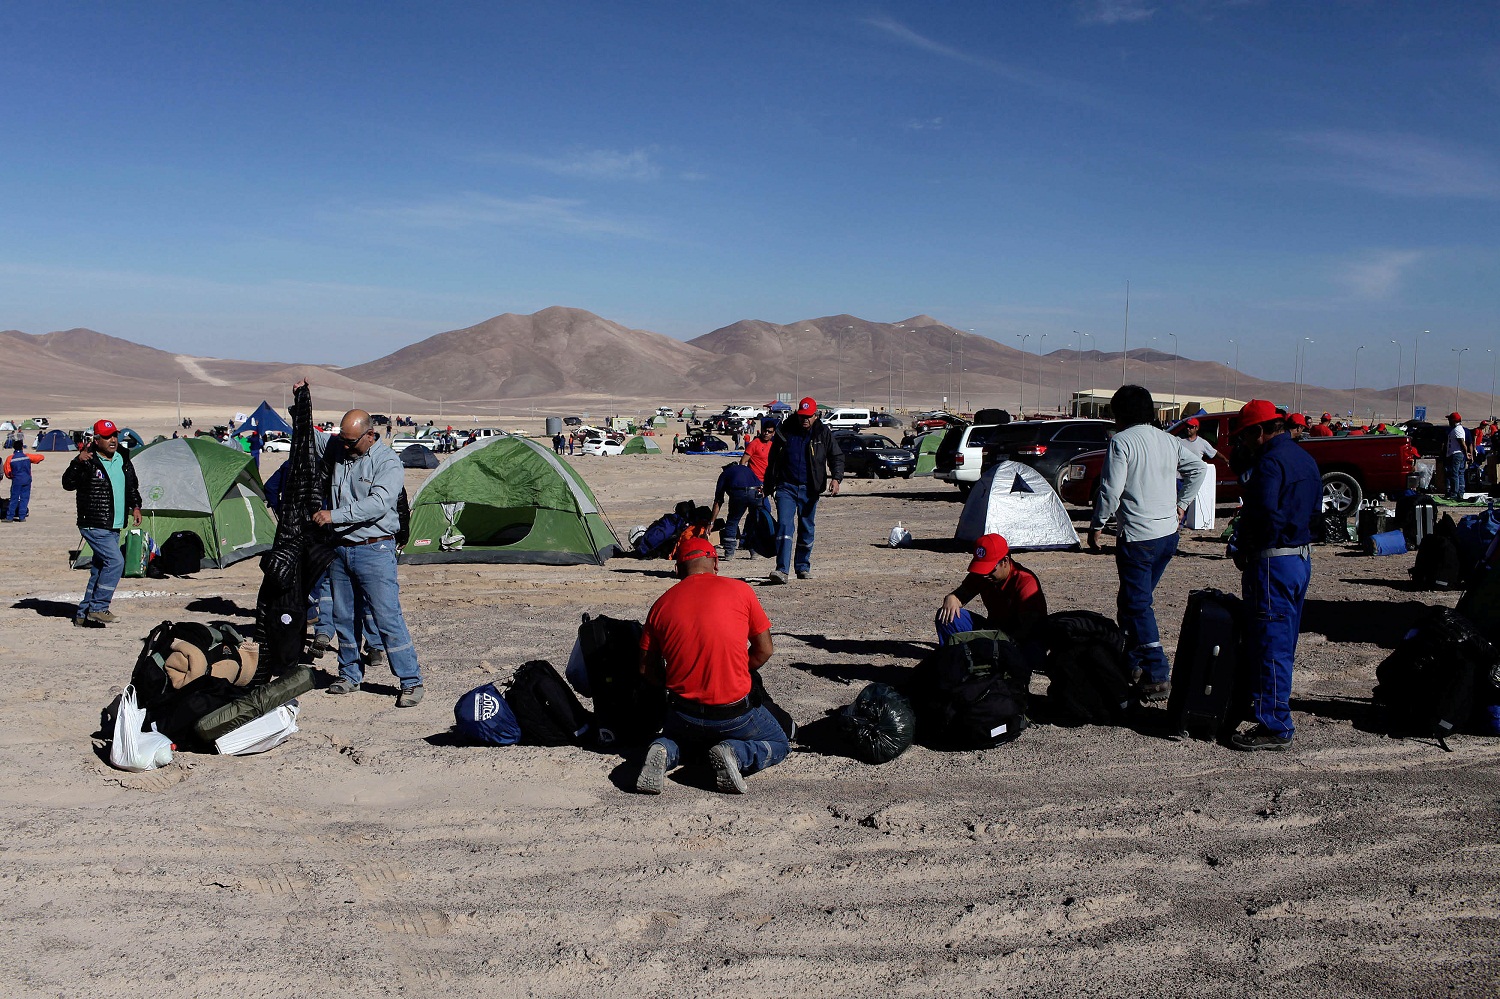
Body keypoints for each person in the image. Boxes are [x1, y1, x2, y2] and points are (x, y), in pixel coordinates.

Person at [635, 537, 786, 795]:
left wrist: (673, 681)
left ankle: (663, 749)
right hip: (733, 713)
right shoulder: (741, 591)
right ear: (715, 563)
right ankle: (735, 753)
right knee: (778, 741)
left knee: (687, 742)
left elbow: (645, 669)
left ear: (678, 570)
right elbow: (765, 650)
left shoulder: (661, 605)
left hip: (683, 713)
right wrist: (738, 670)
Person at [1087, 386, 1207, 701]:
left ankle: (1156, 671)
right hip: (1167, 535)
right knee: (1131, 602)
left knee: (1138, 605)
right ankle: (1132, 662)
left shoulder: (1121, 442)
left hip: (1138, 538)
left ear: (1120, 414)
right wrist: (1182, 505)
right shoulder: (1169, 440)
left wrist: (1097, 525)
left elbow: (1111, 491)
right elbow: (1199, 468)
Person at [313, 407, 425, 707]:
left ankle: (410, 681)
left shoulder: (387, 462)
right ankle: (349, 675)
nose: (345, 448)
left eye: (351, 442)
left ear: (370, 435)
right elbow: (309, 439)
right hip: (340, 550)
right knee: (344, 618)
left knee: (387, 617)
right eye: (343, 441)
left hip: (374, 550)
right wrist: (300, 403)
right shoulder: (339, 447)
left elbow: (377, 505)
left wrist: (333, 516)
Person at [1227, 400, 1321, 751]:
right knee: (1284, 640)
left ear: (1259, 431)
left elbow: (1264, 515)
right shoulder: (1304, 459)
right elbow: (1315, 513)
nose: (1245, 444)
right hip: (1299, 559)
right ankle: (1271, 706)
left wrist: (1244, 548)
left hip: (1272, 563)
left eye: (1246, 436)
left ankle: (1275, 723)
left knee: (1270, 642)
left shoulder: (1270, 463)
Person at [61, 419, 141, 628]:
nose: (112, 440)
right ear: (97, 440)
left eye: (114, 435)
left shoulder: (123, 458)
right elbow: (67, 484)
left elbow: (131, 486)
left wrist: (135, 507)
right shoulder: (87, 460)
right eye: (107, 437)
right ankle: (98, 608)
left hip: (114, 523)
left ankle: (82, 614)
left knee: (99, 568)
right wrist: (77, 462)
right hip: (93, 522)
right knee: (115, 562)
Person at [762, 397, 844, 584]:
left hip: (810, 488)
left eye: (809, 416)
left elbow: (836, 456)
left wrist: (836, 478)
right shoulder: (785, 431)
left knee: (806, 527)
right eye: (802, 416)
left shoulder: (823, 433)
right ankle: (781, 570)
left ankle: (802, 566)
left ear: (816, 415)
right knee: (784, 525)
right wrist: (768, 486)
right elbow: (773, 460)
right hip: (786, 487)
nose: (805, 419)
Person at [935, 533, 1047, 667]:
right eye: (981, 569)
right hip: (993, 630)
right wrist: (952, 597)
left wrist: (993, 642)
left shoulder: (1025, 581)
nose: (985, 574)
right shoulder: (982, 575)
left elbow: (1028, 627)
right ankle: (952, 660)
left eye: (990, 569)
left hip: (1020, 638)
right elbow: (960, 596)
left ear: (1005, 561)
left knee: (1032, 657)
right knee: (948, 615)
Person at [710, 459, 763, 559]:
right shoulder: (746, 469)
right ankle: (754, 551)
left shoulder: (725, 474)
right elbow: (759, 485)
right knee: (753, 520)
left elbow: (718, 501)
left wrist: (711, 522)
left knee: (732, 521)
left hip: (739, 493)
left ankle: (729, 553)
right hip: (756, 492)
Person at [1177, 418, 1219, 531]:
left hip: (1192, 478)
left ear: (1197, 428)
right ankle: (1179, 521)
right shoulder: (1179, 441)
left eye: (1191, 427)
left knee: (1188, 500)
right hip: (1178, 477)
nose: (1188, 429)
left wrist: (1226, 460)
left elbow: (1214, 453)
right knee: (1178, 500)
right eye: (1187, 426)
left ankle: (1184, 520)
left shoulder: (1202, 443)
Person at [4, 437, 44, 522]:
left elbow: (7, 471)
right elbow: (40, 457)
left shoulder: (10, 458)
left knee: (14, 498)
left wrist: (11, 476)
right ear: (22, 447)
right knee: (24, 498)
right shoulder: (27, 457)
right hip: (27, 480)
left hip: (17, 480)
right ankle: (22, 516)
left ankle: (10, 516)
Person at [1445, 412, 1473, 501]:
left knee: (1454, 474)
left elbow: (1462, 443)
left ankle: (1455, 493)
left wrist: (1466, 453)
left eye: (1450, 419)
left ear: (1453, 421)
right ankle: (1460, 492)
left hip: (1456, 454)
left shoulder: (1457, 430)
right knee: (1460, 473)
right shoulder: (1457, 429)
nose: (1448, 421)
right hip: (1458, 454)